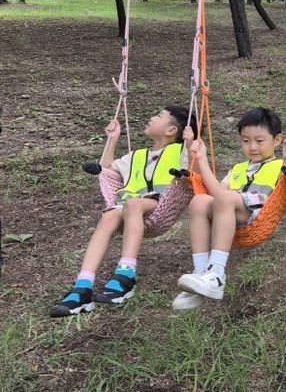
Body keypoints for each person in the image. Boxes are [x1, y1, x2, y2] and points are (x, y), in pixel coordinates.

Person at [50, 106, 195, 317]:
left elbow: (194, 171)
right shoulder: (136, 156)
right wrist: (113, 139)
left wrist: (190, 144)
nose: (152, 117)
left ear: (171, 130)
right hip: (127, 206)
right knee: (108, 215)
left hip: (158, 205)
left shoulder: (180, 152)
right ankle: (83, 286)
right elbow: (107, 169)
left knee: (133, 204)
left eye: (159, 116)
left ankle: (126, 274)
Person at [173, 107, 286, 310]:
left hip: (257, 215)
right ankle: (201, 273)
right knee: (199, 201)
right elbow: (216, 194)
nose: (252, 147)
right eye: (246, 141)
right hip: (228, 212)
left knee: (226, 197)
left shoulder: (282, 165)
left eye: (259, 141)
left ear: (277, 140)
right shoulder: (237, 169)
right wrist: (201, 159)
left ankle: (216, 272)